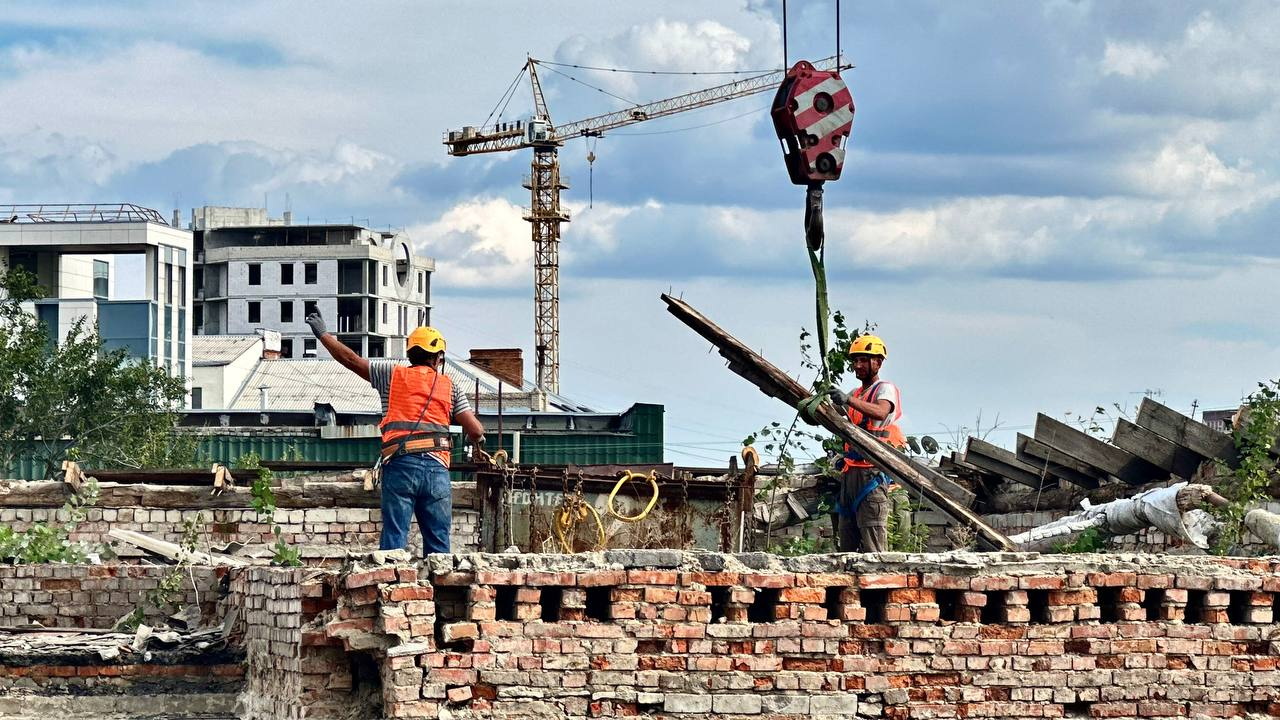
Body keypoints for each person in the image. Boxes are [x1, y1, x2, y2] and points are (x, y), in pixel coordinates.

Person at [306, 311, 485, 555]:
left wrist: (323, 334)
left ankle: (391, 588)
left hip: (400, 465)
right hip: (436, 471)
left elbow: (350, 360)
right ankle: (440, 592)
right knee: (439, 546)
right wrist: (473, 439)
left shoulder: (392, 374)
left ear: (411, 353)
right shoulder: (450, 386)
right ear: (437, 359)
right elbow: (476, 430)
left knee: (393, 541)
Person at [824, 334, 906, 553]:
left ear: (877, 362)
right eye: (856, 360)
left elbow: (880, 411)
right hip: (851, 475)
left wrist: (847, 400)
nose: (857, 365)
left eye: (863, 360)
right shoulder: (856, 393)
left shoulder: (884, 389)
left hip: (872, 474)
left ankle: (880, 584)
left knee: (873, 542)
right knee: (847, 543)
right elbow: (834, 416)